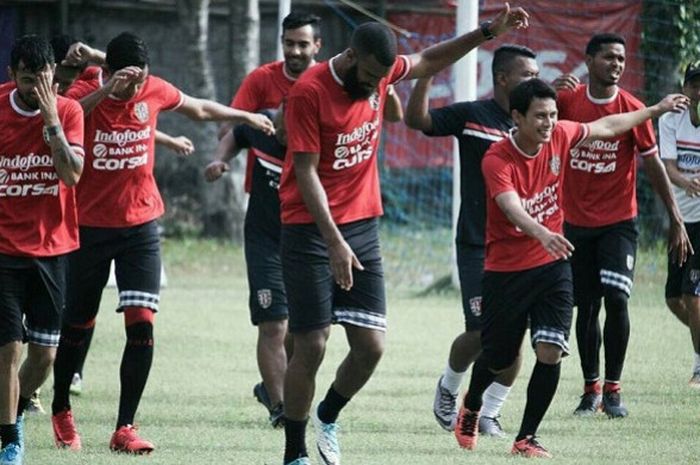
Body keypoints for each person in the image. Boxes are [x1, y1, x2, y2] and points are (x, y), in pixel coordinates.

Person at [279, 5, 529, 464]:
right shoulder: (309, 92)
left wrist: (489, 30)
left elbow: (430, 60)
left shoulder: (379, 71)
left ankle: (328, 415)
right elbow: (305, 171)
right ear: (351, 57)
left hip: (362, 225)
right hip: (309, 231)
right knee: (313, 345)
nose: (379, 84)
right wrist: (333, 241)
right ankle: (294, 453)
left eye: (384, 76)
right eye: (372, 75)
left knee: (371, 347)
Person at [49, 31, 273, 454]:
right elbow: (61, 119)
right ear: (109, 72)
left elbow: (200, 109)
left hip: (141, 226)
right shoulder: (84, 91)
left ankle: (125, 428)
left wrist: (245, 117)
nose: (135, 91)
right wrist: (106, 93)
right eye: (127, 83)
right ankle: (61, 409)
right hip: (90, 228)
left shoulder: (152, 88)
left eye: (140, 82)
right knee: (77, 325)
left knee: (142, 324)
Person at [453, 78, 688, 458]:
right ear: (517, 117)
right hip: (507, 271)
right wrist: (541, 231)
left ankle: (526, 437)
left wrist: (655, 110)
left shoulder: (561, 134)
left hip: (552, 265)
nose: (548, 123)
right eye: (539, 116)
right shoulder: (497, 157)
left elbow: (608, 126)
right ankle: (473, 403)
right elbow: (510, 206)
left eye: (553, 115)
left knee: (550, 350)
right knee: (499, 357)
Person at [554, 33, 691, 418]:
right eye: (609, 57)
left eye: (621, 59)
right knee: (587, 306)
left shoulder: (633, 108)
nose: (616, 64)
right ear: (589, 60)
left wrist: (675, 220)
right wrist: (549, 89)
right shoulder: (566, 102)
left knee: (617, 298)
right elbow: (534, 122)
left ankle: (614, 391)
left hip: (618, 223)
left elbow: (654, 167)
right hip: (574, 224)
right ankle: (590, 390)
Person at [405, 44, 538, 437]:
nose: (534, 80)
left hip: (523, 245)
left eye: (536, 75)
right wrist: (427, 72)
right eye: (527, 74)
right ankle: (449, 384)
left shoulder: (538, 120)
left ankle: (490, 412)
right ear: (502, 78)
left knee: (515, 337)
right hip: (478, 242)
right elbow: (418, 120)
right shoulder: (472, 115)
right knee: (482, 330)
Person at [209, 12, 322, 428]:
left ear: (317, 47)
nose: (294, 51)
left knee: (306, 331)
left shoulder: (329, 88)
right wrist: (220, 160)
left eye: (302, 44)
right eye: (288, 43)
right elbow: (236, 129)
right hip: (265, 229)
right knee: (273, 322)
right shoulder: (262, 94)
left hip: (310, 231)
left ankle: (275, 386)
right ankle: (280, 409)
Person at [0, 35, 85, 465]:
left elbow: (71, 176)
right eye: (29, 80)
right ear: (13, 75)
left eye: (44, 80)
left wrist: (51, 121)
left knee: (45, 355)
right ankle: (10, 439)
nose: (36, 89)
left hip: (52, 249)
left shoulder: (68, 111)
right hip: (3, 251)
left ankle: (8, 409)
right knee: (8, 348)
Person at [660, 61, 700, 387]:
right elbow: (668, 167)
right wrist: (686, 184)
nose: (699, 91)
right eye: (695, 85)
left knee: (694, 295)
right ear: (685, 87)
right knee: (674, 299)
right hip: (680, 219)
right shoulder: (671, 118)